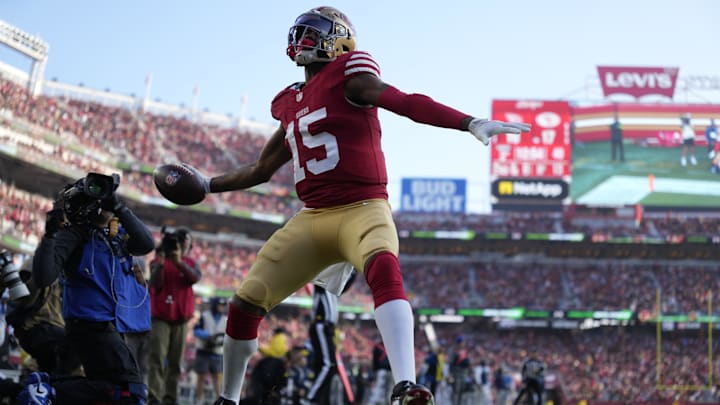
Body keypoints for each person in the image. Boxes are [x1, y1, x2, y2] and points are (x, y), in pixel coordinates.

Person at [168, 6, 529, 405]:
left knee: (384, 268)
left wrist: (467, 122)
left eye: (315, 32)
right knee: (244, 302)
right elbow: (261, 168)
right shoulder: (290, 101)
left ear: (340, 40)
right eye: (301, 32)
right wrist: (207, 184)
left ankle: (405, 386)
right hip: (312, 217)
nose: (303, 39)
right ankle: (228, 399)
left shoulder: (350, 79)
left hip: (363, 207)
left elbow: (405, 101)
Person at [31, 172, 155, 404]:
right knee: (130, 391)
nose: (104, 203)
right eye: (98, 198)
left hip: (112, 326)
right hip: (89, 325)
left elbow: (146, 244)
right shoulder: (74, 236)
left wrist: (119, 207)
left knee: (106, 389)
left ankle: (48, 388)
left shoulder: (116, 236)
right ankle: (47, 390)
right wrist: (50, 235)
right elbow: (43, 277)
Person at [147, 227, 202, 405]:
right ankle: (154, 397)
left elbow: (195, 278)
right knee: (156, 358)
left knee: (176, 363)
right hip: (161, 317)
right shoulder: (158, 260)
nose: (183, 246)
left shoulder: (190, 263)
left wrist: (179, 263)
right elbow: (155, 283)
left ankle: (170, 398)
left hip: (180, 319)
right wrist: (162, 263)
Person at [306, 269, 356, 405]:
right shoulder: (323, 282)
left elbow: (345, 284)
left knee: (325, 365)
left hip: (327, 328)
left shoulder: (334, 288)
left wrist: (354, 271)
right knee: (327, 364)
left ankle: (318, 398)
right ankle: (310, 398)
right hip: (321, 324)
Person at [193, 297, 228, 404]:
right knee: (201, 377)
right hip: (203, 350)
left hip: (217, 352)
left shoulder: (225, 319)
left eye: (223, 305)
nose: (221, 308)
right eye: (219, 305)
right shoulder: (205, 316)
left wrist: (219, 340)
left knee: (217, 377)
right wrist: (208, 336)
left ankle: (218, 400)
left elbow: (227, 335)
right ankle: (199, 399)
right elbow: (196, 330)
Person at [124, 257, 152, 385]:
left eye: (139, 271)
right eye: (134, 271)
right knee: (131, 364)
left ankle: (142, 391)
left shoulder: (150, 288)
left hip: (147, 333)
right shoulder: (128, 286)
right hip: (131, 332)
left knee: (145, 366)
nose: (136, 274)